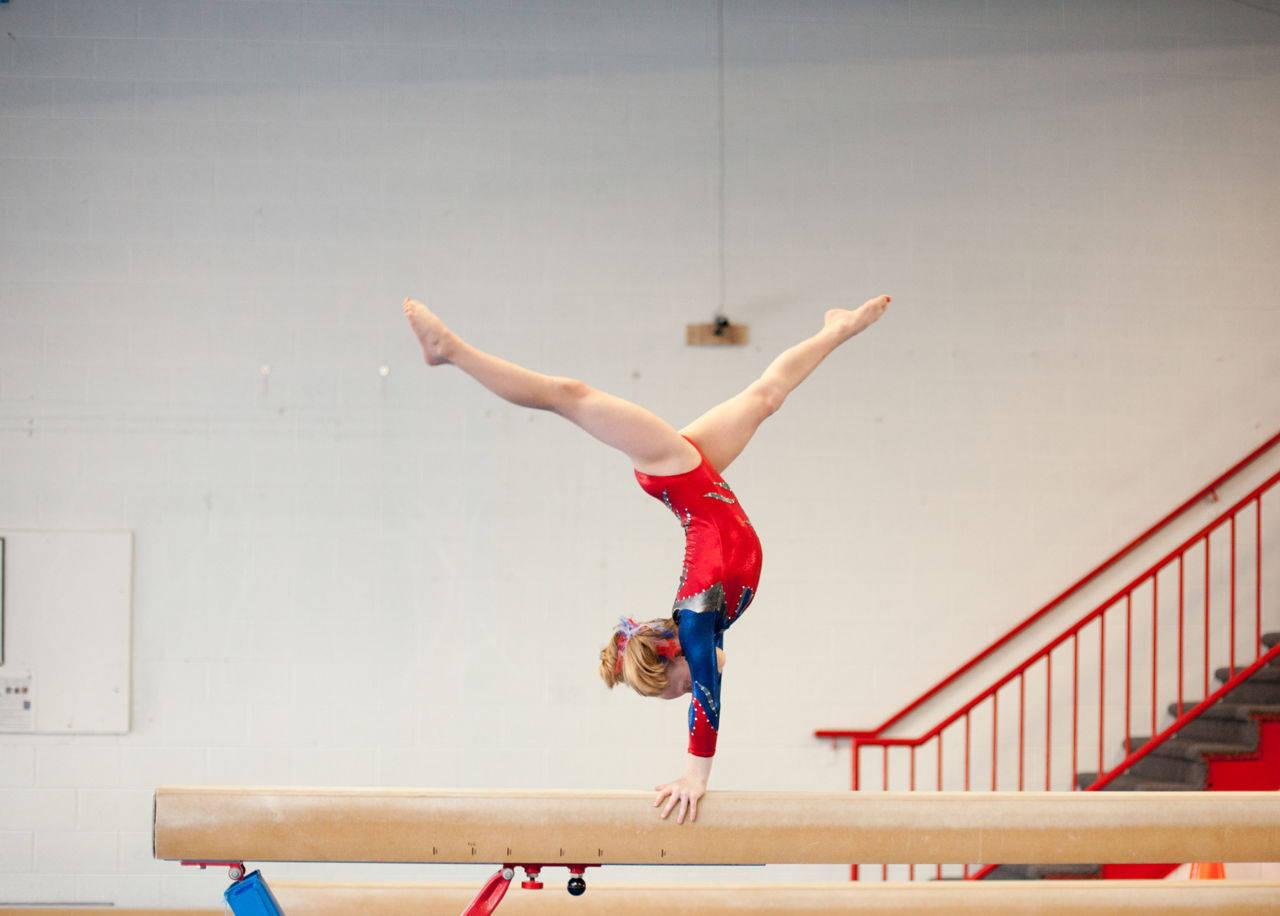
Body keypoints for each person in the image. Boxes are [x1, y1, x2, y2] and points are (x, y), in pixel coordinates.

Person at [403, 294, 890, 825]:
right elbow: (704, 687)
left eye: (680, 683)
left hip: (672, 471)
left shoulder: (700, 621)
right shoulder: (710, 624)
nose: (692, 688)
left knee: (571, 396)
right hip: (696, 480)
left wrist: (695, 777)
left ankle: (448, 350)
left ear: (673, 653)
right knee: (766, 396)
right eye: (683, 690)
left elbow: (707, 702)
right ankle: (835, 330)